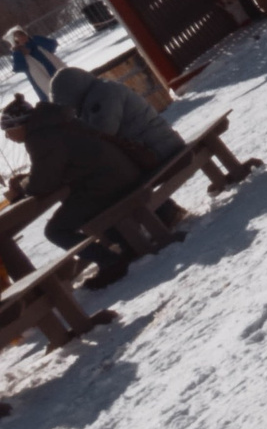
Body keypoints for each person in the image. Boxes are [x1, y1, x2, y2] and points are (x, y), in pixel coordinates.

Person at [2, 96, 155, 287]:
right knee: (77, 208)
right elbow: (56, 164)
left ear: (19, 125)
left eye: (7, 129)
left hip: (107, 184)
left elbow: (41, 184)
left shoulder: (40, 137)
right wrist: (27, 178)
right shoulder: (56, 121)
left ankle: (110, 261)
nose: (7, 136)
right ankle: (125, 243)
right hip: (121, 173)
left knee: (56, 230)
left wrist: (22, 186)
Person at [47, 63, 185, 166]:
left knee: (114, 185)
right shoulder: (100, 91)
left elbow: (103, 132)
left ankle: (164, 206)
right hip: (158, 145)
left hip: (159, 150)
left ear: (72, 95)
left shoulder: (101, 96)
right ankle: (166, 206)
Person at [6, 27, 64, 100]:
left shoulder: (35, 41)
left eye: (22, 34)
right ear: (15, 41)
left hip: (56, 70)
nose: (22, 37)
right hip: (41, 80)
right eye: (18, 37)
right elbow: (19, 68)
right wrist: (19, 52)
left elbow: (52, 45)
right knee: (54, 97)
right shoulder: (17, 53)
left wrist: (37, 40)